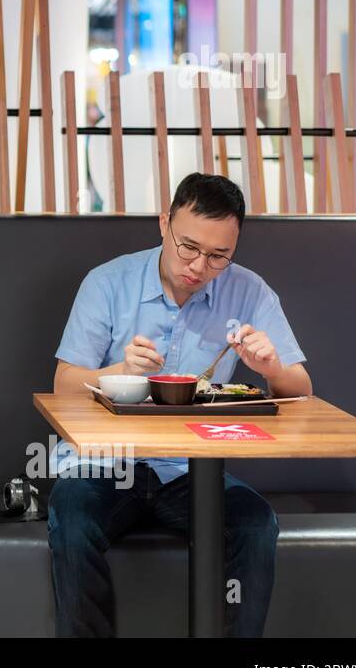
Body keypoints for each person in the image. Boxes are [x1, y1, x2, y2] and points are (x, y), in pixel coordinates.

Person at [48, 172, 312, 637]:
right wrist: (118, 372)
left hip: (192, 470)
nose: (198, 265)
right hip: (105, 463)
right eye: (187, 247)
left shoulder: (248, 291)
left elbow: (300, 391)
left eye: (218, 256)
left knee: (255, 525)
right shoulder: (108, 283)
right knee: (73, 520)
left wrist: (269, 366)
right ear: (164, 223)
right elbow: (64, 385)